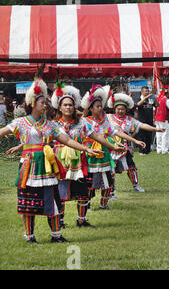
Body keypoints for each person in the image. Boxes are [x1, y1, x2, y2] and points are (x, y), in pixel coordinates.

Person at [0, 78, 103, 243]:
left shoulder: (51, 125)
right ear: (33, 103)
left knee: (53, 199)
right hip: (29, 166)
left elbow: (68, 140)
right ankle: (29, 236)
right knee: (28, 202)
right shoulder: (20, 123)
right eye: (42, 102)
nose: (45, 105)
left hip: (47, 167)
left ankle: (56, 235)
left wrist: (86, 148)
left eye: (46, 102)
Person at [51, 83, 125, 228]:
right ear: (59, 107)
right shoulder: (53, 125)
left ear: (74, 107)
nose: (68, 107)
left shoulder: (82, 123)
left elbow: (96, 136)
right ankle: (60, 221)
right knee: (61, 192)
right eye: (65, 105)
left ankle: (81, 220)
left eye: (71, 105)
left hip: (79, 160)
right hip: (60, 161)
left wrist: (113, 146)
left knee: (83, 192)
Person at [81, 85, 145, 210]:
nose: (100, 109)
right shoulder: (84, 121)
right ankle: (86, 204)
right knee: (89, 182)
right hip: (90, 155)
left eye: (101, 106)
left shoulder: (104, 121)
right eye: (97, 106)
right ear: (90, 108)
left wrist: (133, 140)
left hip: (104, 153)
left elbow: (114, 132)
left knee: (108, 181)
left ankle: (104, 204)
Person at [106, 92, 164, 193]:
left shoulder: (130, 120)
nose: (120, 111)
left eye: (122, 109)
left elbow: (142, 125)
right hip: (111, 147)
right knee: (111, 170)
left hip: (124, 148)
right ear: (114, 109)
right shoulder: (108, 118)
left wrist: (156, 129)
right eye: (118, 109)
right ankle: (111, 189)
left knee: (131, 167)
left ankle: (135, 185)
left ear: (126, 110)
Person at [154, 86, 169, 154]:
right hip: (164, 118)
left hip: (158, 118)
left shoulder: (158, 99)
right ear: (167, 93)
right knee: (165, 134)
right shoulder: (166, 100)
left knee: (158, 134)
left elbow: (155, 109)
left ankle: (159, 149)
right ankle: (165, 150)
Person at [136, 86, 157, 155]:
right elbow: (138, 104)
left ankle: (147, 151)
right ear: (142, 92)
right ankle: (141, 151)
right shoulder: (139, 98)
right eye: (146, 91)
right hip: (142, 121)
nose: (147, 92)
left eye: (148, 91)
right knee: (142, 136)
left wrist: (155, 98)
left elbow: (157, 105)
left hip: (149, 120)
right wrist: (145, 98)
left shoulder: (150, 99)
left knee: (149, 136)